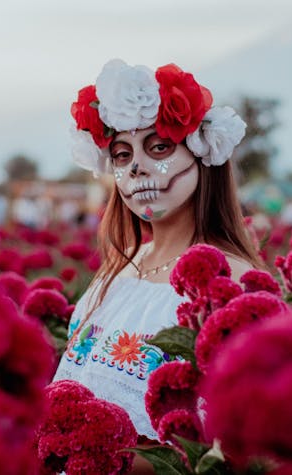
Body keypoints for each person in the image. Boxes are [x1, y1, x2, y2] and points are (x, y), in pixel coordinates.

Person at [54, 59, 264, 460]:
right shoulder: (118, 270)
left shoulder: (232, 281)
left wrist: (109, 461)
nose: (137, 167)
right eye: (120, 154)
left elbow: (225, 452)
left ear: (203, 155)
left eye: (159, 148)